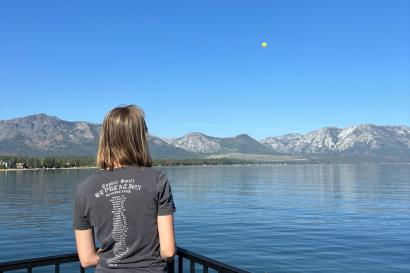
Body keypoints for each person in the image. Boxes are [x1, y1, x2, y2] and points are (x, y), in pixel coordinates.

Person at [72, 104, 176, 273]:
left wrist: (113, 258)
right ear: (139, 138)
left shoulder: (84, 188)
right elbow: (168, 251)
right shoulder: (157, 179)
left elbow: (86, 259)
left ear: (105, 138)